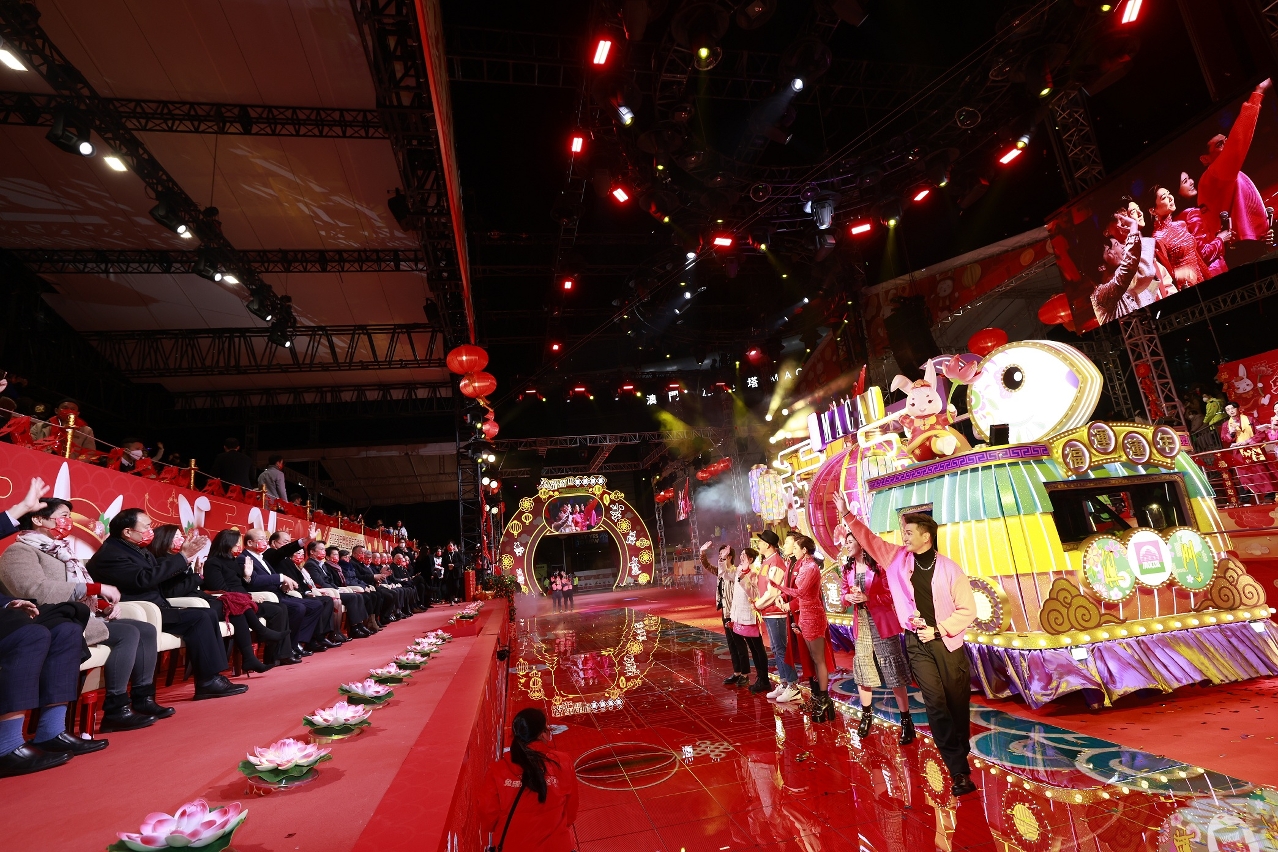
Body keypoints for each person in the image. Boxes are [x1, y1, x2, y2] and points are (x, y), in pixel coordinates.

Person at [835, 491, 978, 796]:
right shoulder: (897, 558)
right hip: (916, 643)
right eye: (904, 532)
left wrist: (938, 630)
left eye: (910, 532)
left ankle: (959, 750)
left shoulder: (950, 568)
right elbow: (870, 540)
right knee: (935, 703)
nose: (904, 537)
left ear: (927, 536)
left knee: (956, 704)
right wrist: (847, 515)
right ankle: (958, 771)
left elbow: (968, 610)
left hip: (948, 643)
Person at [0, 497, 167, 731]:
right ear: (38, 519)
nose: (69, 521)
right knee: (128, 633)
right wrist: (95, 588)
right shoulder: (19, 551)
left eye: (69, 516)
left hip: (79, 615)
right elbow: (35, 591)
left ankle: (143, 697)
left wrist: (102, 605)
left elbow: (76, 590)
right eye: (64, 516)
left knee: (146, 630)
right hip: (50, 619)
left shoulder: (62, 551)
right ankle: (116, 708)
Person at [85, 509, 248, 701]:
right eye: (146, 527)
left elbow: (157, 576)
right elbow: (143, 579)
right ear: (127, 531)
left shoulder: (135, 548)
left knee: (207, 613)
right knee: (201, 617)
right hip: (138, 611)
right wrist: (182, 557)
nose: (150, 531)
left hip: (156, 607)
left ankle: (212, 677)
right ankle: (207, 681)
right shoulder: (111, 554)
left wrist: (184, 560)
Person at [841, 537, 913, 744]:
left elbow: (892, 595)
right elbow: (843, 594)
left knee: (893, 671)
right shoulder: (847, 569)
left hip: (882, 622)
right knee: (863, 669)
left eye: (850, 541)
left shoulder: (880, 566)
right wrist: (848, 598)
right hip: (862, 623)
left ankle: (906, 721)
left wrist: (869, 598)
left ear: (861, 543)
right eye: (846, 542)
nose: (846, 545)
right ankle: (866, 716)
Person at [479, 708, 578, 852]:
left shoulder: (497, 771)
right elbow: (571, 812)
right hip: (557, 845)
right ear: (543, 734)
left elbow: (488, 817)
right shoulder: (562, 762)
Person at [200, 529, 299, 669]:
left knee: (279, 609)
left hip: (243, 600)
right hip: (231, 602)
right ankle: (263, 634)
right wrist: (248, 596)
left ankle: (274, 652)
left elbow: (241, 584)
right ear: (227, 543)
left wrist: (246, 576)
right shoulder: (213, 563)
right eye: (236, 542)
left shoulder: (232, 560)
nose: (238, 545)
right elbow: (221, 589)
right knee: (240, 608)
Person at [1195, 78, 1272, 245]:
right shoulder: (1214, 175)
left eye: (1226, 140)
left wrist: (1262, 233)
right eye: (1220, 145)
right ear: (1205, 159)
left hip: (1248, 245)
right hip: (1239, 247)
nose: (1227, 145)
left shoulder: (1224, 175)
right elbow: (1238, 140)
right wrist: (1258, 92)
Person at [780, 535, 835, 722]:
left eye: (794, 546)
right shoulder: (799, 564)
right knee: (812, 659)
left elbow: (802, 592)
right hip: (804, 615)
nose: (791, 548)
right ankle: (820, 699)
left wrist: (781, 592)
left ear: (804, 550)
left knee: (818, 659)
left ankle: (823, 699)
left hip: (812, 615)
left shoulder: (810, 567)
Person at [243, 528, 323, 655]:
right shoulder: (248, 558)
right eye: (261, 539)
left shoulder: (262, 558)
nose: (265, 542)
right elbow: (254, 581)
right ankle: (290, 646)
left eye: (265, 538)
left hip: (280, 593)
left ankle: (297, 642)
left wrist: (283, 586)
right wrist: (306, 539)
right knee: (298, 608)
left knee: (316, 605)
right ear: (249, 542)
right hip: (267, 597)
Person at [265, 530, 343, 651]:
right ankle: (301, 641)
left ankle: (318, 637)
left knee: (326, 600)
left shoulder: (287, 559)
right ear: (274, 543)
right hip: (288, 592)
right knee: (313, 604)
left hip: (300, 592)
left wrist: (307, 591)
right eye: (285, 542)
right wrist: (305, 540)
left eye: (289, 542)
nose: (288, 545)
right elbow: (283, 552)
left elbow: (300, 579)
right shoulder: (271, 554)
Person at [751, 530, 799, 703]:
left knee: (781, 649)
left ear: (768, 544)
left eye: (760, 542)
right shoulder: (767, 561)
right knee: (776, 648)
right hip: (769, 611)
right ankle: (784, 682)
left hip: (776, 612)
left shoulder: (776, 562)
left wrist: (758, 604)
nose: (758, 544)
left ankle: (793, 685)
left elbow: (773, 592)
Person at [703, 540, 750, 686]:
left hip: (734, 612)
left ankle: (745, 674)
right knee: (731, 643)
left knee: (739, 643)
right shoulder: (721, 572)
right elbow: (707, 566)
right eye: (719, 555)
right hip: (725, 611)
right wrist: (702, 553)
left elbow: (726, 573)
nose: (720, 557)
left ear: (729, 557)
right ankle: (737, 672)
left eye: (723, 555)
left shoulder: (735, 572)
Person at [1150, 185, 1211, 289]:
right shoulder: (1158, 238)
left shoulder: (1181, 225)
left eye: (1169, 194)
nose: (1170, 198)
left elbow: (1197, 257)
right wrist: (1181, 272)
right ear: (1152, 211)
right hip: (1185, 287)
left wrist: (1209, 278)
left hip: (1201, 279)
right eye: (1164, 197)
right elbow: (1165, 274)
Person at [729, 547, 770, 693]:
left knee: (758, 648)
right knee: (753, 648)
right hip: (741, 615)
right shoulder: (740, 570)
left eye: (744, 555)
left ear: (751, 559)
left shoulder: (754, 572)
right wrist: (723, 559)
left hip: (750, 615)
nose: (741, 557)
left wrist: (745, 574)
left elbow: (754, 594)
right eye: (740, 554)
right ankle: (760, 678)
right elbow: (725, 573)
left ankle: (764, 679)